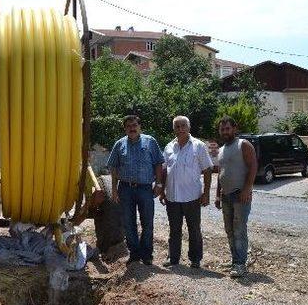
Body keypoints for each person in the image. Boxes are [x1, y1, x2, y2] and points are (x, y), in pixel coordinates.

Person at [107, 115, 164, 265]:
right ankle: (134, 253)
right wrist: (114, 189)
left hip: (145, 189)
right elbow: (113, 167)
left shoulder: (150, 141)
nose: (132, 128)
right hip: (125, 189)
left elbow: (158, 163)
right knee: (128, 222)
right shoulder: (119, 144)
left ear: (140, 126)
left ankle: (146, 254)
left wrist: (158, 184)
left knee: (147, 222)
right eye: (128, 126)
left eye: (134, 125)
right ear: (125, 129)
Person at [159, 116, 213, 269]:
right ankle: (173, 258)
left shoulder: (198, 146)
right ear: (174, 129)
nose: (180, 129)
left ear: (189, 128)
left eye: (183, 126)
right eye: (177, 126)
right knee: (174, 230)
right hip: (172, 196)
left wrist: (206, 193)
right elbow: (164, 171)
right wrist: (162, 191)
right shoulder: (169, 147)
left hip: (192, 197)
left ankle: (195, 259)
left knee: (194, 229)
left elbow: (207, 170)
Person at [215, 115, 257, 277]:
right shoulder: (222, 149)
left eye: (227, 128)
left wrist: (247, 189)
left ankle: (240, 264)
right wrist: (218, 194)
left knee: (239, 229)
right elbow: (220, 173)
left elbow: (253, 166)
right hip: (226, 195)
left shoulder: (243, 145)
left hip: (240, 195)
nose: (224, 132)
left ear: (234, 129)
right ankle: (235, 260)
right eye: (222, 129)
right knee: (229, 229)